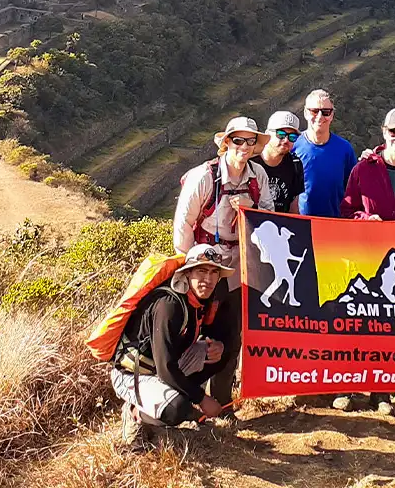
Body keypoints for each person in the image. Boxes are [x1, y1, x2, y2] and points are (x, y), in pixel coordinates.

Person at [331, 107, 395, 415]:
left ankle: (382, 390)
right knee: (355, 321)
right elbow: (347, 207)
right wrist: (365, 217)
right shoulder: (363, 168)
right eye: (394, 132)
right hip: (364, 255)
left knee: (389, 324)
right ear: (384, 132)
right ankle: (347, 387)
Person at [171, 117, 269, 409]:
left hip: (240, 266)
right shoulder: (205, 176)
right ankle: (187, 402)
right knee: (193, 336)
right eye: (237, 140)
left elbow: (270, 219)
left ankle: (223, 405)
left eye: (250, 141)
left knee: (229, 337)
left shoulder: (257, 177)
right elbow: (184, 224)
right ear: (226, 143)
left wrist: (252, 212)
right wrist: (188, 268)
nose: (244, 147)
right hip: (203, 269)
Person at [112, 244, 239, 449]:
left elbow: (211, 334)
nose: (208, 279)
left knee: (222, 353)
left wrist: (219, 346)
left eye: (214, 272)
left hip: (163, 367)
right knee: (177, 409)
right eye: (201, 271)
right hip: (133, 374)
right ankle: (135, 414)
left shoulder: (200, 299)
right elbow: (165, 368)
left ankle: (172, 400)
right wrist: (201, 398)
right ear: (187, 274)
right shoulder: (168, 305)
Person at [294, 88, 358, 217]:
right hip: (301, 225)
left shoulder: (345, 149)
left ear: (332, 115)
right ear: (306, 113)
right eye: (314, 111)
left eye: (325, 112)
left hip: (336, 224)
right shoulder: (293, 147)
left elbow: (354, 188)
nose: (320, 117)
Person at [253, 111, 305, 214]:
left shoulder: (295, 165)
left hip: (280, 227)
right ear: (268, 134)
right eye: (281, 134)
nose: (286, 140)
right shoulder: (250, 162)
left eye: (292, 137)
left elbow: (294, 208)